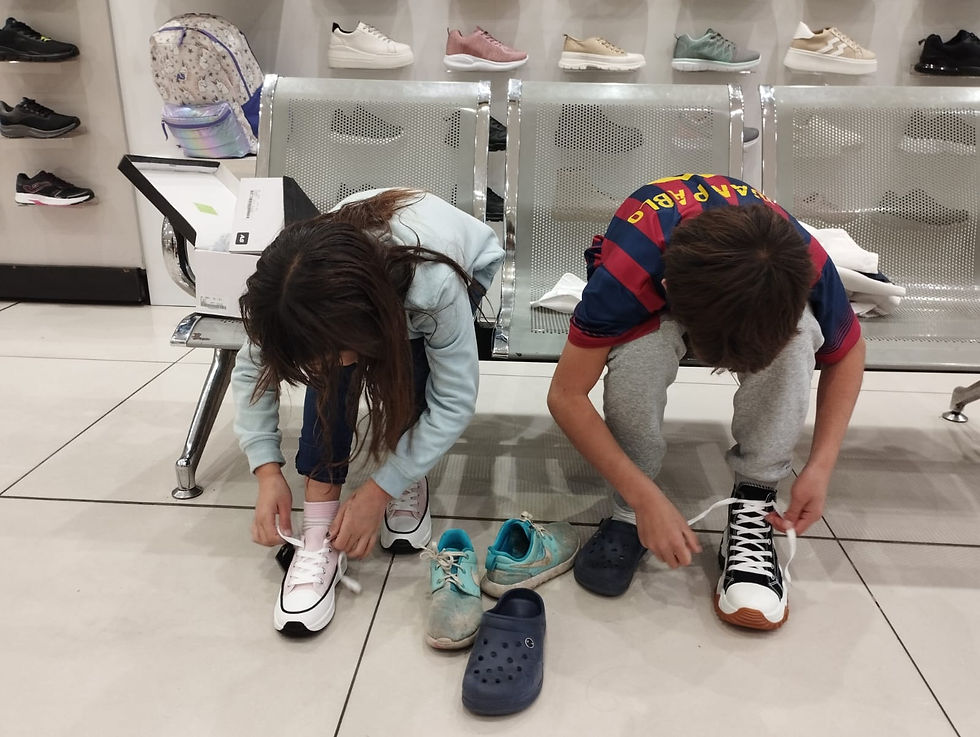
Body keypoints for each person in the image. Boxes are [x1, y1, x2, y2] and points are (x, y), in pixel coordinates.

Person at [547, 173, 865, 630]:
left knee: (797, 342)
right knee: (641, 353)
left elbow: (849, 351)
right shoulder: (627, 274)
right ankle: (629, 507)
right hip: (657, 266)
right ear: (668, 291)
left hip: (722, 275)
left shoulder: (802, 260)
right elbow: (566, 394)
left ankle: (754, 497)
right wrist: (642, 496)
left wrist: (820, 466)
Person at [232, 188, 504, 635]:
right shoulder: (286, 291)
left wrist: (380, 489)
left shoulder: (434, 287)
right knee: (332, 377)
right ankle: (319, 530)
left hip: (461, 265)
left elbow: (453, 400)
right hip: (366, 280)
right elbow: (250, 372)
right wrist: (266, 471)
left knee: (410, 371)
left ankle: (408, 472)